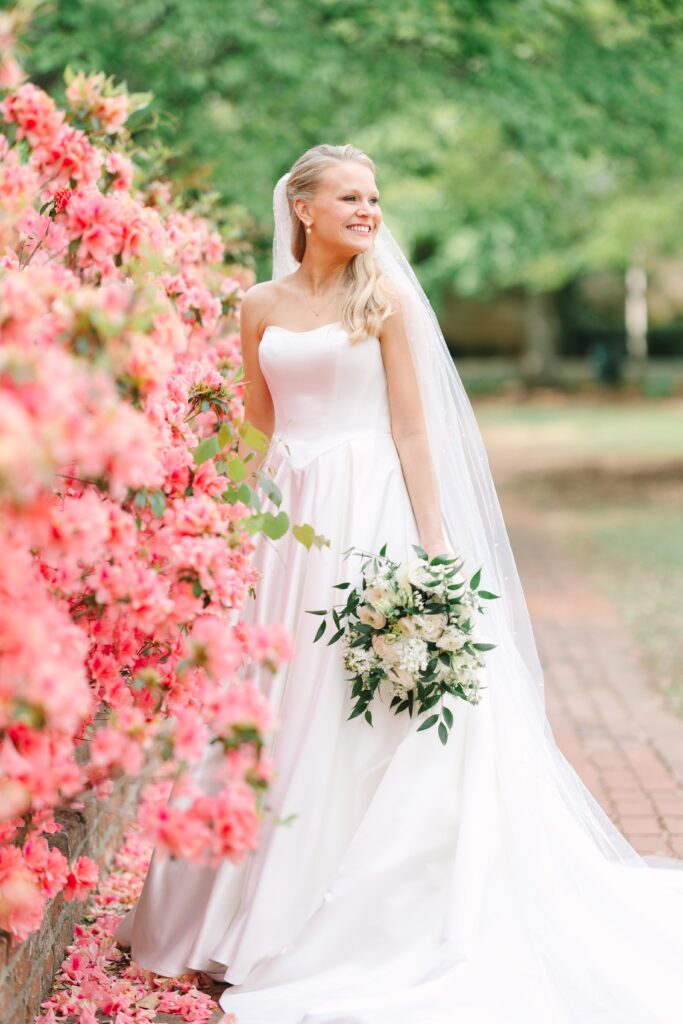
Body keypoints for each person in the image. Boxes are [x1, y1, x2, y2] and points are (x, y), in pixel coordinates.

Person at [116, 144, 683, 1023]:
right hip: (289, 527)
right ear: (302, 208)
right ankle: (233, 911)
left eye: (373, 197)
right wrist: (216, 524)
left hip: (371, 514)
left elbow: (415, 434)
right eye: (349, 196)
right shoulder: (257, 304)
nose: (368, 210)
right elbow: (256, 429)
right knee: (276, 699)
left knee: (360, 705)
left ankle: (352, 916)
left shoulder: (383, 304)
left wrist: (431, 547)